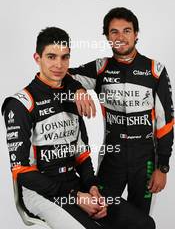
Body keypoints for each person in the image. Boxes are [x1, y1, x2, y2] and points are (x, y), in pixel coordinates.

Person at [1, 27, 156, 229]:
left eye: (65, 58)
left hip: (75, 185)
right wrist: (75, 197)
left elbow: (82, 154)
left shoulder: (72, 97)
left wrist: (92, 187)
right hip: (40, 192)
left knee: (143, 223)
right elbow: (20, 170)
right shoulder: (21, 103)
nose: (59, 65)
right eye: (51, 57)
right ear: (37, 58)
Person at [69, 7, 174, 214]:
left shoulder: (155, 70)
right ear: (107, 37)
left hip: (145, 162)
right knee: (101, 214)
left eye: (126, 30)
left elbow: (166, 123)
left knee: (140, 220)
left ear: (136, 34)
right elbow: (62, 76)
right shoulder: (100, 68)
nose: (121, 37)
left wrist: (163, 167)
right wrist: (79, 89)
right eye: (114, 32)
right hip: (111, 158)